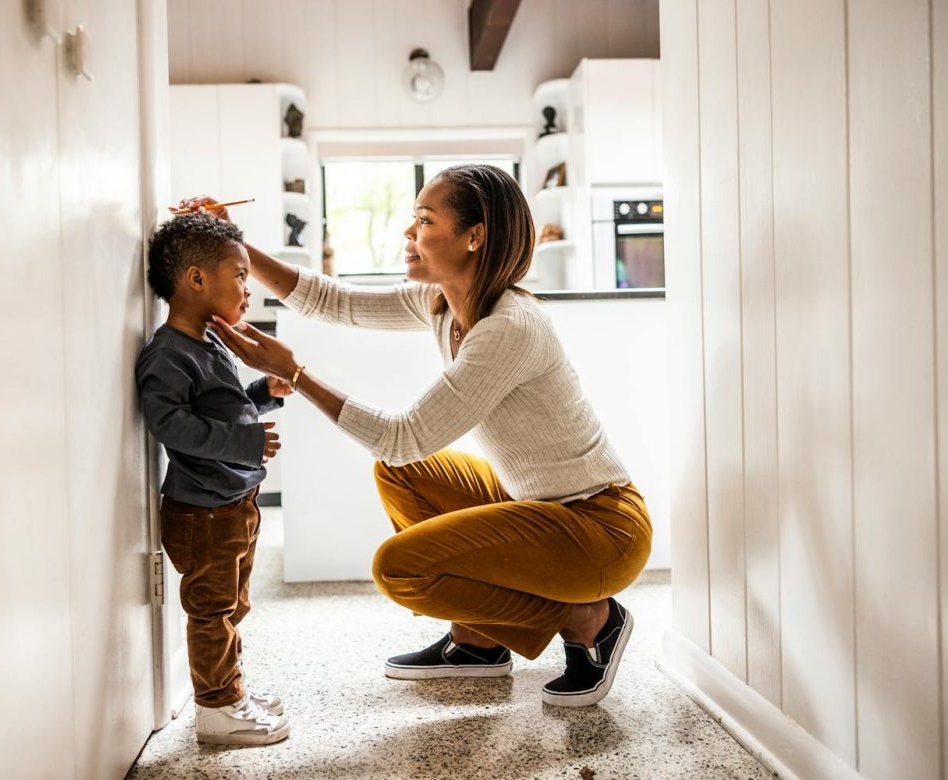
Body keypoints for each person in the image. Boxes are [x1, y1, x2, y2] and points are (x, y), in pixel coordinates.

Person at [185, 163, 652, 709]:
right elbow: (334, 302)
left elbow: (404, 436)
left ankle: (590, 617)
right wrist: (235, 245)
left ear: (474, 237)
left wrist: (295, 376)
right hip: (541, 508)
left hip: (600, 529)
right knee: (400, 474)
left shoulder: (508, 327)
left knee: (400, 568)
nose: (409, 233)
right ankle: (479, 640)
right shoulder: (443, 303)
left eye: (424, 220)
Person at [135, 213, 292, 744]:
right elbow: (171, 425)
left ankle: (231, 688)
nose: (248, 287)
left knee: (233, 605)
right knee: (213, 611)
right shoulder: (168, 353)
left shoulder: (208, 343)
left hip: (231, 503)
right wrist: (247, 442)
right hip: (202, 510)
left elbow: (221, 414)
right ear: (197, 279)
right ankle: (217, 709)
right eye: (241, 274)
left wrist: (262, 396)